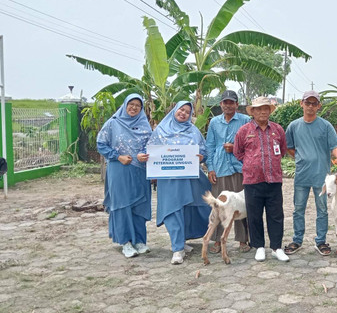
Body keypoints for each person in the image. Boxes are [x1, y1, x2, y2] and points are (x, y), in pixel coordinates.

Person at [138, 101, 212, 265]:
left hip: (190, 178)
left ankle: (182, 241)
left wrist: (201, 156)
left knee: (189, 208)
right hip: (169, 180)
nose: (184, 113)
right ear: (175, 110)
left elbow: (204, 150)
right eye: (181, 109)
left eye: (187, 111)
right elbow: (149, 149)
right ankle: (177, 248)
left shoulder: (193, 131)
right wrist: (144, 157)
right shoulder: (161, 131)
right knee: (173, 210)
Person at [283, 91, 337, 256]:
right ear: (301, 104)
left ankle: (321, 241)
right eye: (307, 103)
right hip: (302, 174)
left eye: (314, 103)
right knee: (298, 209)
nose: (310, 106)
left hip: (321, 176)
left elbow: (334, 146)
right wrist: (300, 157)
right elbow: (288, 147)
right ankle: (297, 240)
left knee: (322, 209)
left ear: (319, 106)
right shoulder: (293, 126)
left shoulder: (325, 126)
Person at [234, 97, 289, 262]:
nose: (263, 111)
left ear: (270, 111)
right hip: (252, 181)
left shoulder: (278, 130)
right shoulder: (244, 130)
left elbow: (283, 150)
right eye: (259, 109)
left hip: (274, 180)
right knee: (254, 215)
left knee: (276, 215)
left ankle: (276, 247)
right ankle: (259, 247)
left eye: (266, 108)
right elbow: (238, 152)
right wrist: (252, 163)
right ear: (253, 112)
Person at [97, 93, 152, 258]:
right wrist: (117, 156)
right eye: (131, 104)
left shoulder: (144, 125)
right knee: (122, 205)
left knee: (139, 204)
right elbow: (101, 144)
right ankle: (125, 242)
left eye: (138, 105)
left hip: (140, 170)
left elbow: (151, 145)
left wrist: (145, 154)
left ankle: (140, 241)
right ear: (125, 105)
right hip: (119, 169)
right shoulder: (113, 123)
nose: (134, 108)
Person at [205, 90, 251, 254]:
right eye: (225, 102)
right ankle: (216, 240)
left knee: (241, 203)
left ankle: (243, 239)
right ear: (221, 104)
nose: (228, 105)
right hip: (220, 168)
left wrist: (235, 148)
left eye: (231, 102)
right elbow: (209, 146)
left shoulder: (245, 121)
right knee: (219, 206)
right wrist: (210, 167)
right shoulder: (214, 122)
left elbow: (251, 146)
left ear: (237, 105)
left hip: (240, 168)